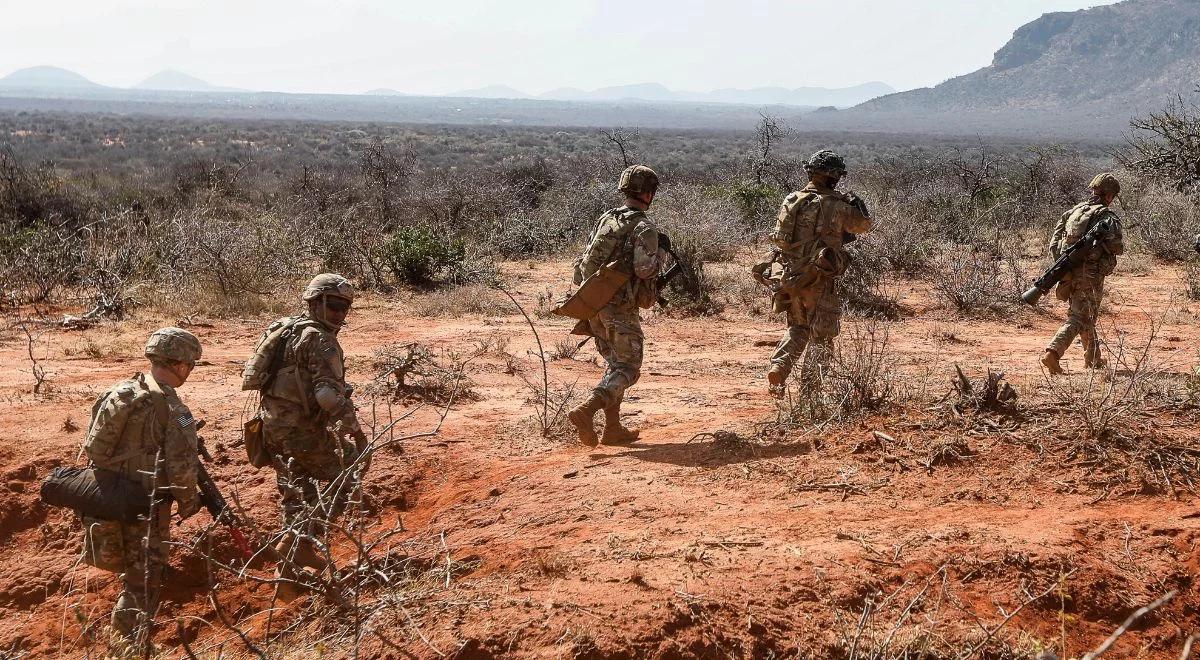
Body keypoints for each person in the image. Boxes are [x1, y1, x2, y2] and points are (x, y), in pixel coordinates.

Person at [81, 327, 203, 646]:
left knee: (126, 569)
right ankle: (126, 644)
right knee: (142, 580)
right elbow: (181, 471)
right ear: (180, 365)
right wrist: (191, 503)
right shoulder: (176, 411)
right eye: (190, 365)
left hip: (105, 498)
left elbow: (93, 447)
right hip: (145, 508)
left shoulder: (118, 392)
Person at [255, 273, 364, 593]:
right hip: (301, 430)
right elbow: (327, 397)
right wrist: (353, 427)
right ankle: (295, 545)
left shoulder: (284, 328)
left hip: (271, 428)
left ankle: (288, 579)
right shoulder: (321, 340)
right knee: (348, 473)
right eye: (333, 306)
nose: (339, 314)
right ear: (315, 303)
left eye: (344, 307)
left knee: (297, 491)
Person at [566, 165, 668, 446]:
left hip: (593, 304)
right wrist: (661, 253)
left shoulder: (607, 218)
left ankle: (612, 429)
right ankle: (587, 410)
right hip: (620, 308)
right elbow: (645, 269)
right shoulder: (643, 226)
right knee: (628, 368)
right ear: (649, 193)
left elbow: (586, 261)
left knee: (614, 364)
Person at [763, 149, 873, 395]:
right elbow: (864, 225)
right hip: (818, 279)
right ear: (833, 177)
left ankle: (779, 368)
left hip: (789, 276)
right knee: (822, 337)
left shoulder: (792, 200)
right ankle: (810, 393)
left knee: (798, 328)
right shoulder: (837, 205)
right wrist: (856, 203)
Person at [1041, 173, 1124, 374]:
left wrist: (1065, 265)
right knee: (1079, 317)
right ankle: (1053, 352)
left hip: (1068, 270)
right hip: (1090, 273)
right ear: (1110, 196)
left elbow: (1054, 243)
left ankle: (1093, 359)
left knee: (1086, 314)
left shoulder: (1074, 212)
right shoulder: (1106, 217)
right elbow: (1117, 247)